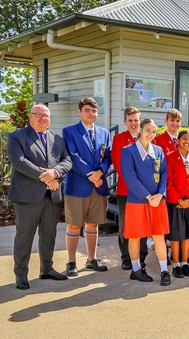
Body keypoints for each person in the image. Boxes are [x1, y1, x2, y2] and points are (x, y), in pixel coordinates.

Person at [8, 105, 73, 290]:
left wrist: (55, 172)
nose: (42, 119)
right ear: (30, 117)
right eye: (38, 115)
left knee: (49, 235)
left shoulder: (57, 139)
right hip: (27, 196)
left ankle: (47, 269)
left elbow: (67, 161)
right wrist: (45, 177)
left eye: (46, 116)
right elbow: (19, 161)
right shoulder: (17, 136)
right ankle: (21, 274)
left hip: (51, 196)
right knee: (24, 237)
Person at [62, 97, 111, 276]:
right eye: (87, 110)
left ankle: (91, 259)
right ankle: (71, 261)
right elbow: (73, 157)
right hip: (77, 185)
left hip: (98, 186)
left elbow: (107, 157)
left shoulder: (104, 133)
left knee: (92, 224)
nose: (91, 114)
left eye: (94, 111)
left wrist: (100, 173)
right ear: (80, 112)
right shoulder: (69, 131)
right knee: (74, 225)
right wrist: (92, 176)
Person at [120, 119, 171, 285]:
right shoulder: (128, 151)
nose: (151, 134)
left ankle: (164, 271)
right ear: (140, 130)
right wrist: (147, 196)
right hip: (137, 201)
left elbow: (164, 174)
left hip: (157, 201)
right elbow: (130, 177)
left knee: (159, 236)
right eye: (148, 130)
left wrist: (160, 194)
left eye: (154, 131)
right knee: (135, 237)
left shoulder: (158, 150)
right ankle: (136, 269)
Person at [111, 106, 148, 271]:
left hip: (146, 192)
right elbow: (120, 166)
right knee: (126, 226)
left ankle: (141, 256)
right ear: (125, 121)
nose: (134, 123)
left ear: (140, 121)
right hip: (126, 191)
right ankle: (126, 257)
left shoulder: (146, 137)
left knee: (143, 225)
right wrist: (137, 185)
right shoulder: (119, 139)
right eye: (130, 120)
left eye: (136, 120)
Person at [166, 130, 189, 278]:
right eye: (184, 139)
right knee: (176, 234)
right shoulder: (170, 157)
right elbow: (168, 182)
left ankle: (185, 263)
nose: (187, 141)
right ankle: (176, 265)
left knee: (188, 234)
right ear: (178, 141)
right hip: (176, 202)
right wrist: (179, 200)